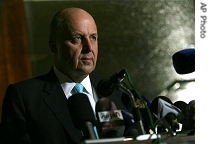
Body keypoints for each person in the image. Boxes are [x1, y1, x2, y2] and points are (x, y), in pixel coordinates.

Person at [0, 7, 128, 144]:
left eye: (93, 37)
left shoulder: (116, 91)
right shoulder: (24, 97)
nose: (89, 47)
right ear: (54, 46)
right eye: (77, 38)